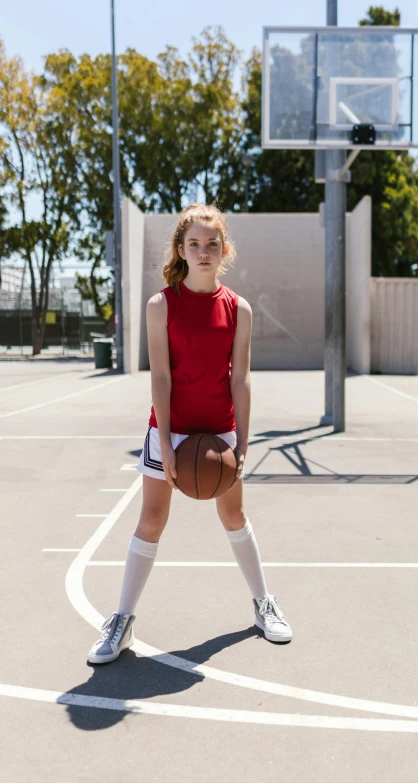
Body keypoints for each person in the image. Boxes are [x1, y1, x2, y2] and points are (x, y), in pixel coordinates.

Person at [88, 203, 292, 664]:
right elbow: (160, 377)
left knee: (234, 518)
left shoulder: (238, 309)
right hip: (171, 430)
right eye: (194, 244)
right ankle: (121, 620)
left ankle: (264, 604)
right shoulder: (161, 305)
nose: (203, 252)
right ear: (181, 249)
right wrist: (165, 445)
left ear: (224, 250)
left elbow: (240, 378)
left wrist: (243, 441)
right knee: (152, 521)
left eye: (212, 244)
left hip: (219, 431)